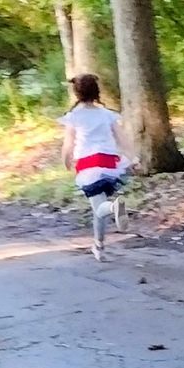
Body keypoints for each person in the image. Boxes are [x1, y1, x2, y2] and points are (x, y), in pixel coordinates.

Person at [60, 72, 128, 262]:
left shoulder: (74, 117)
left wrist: (66, 160)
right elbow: (121, 138)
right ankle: (99, 246)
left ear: (77, 93)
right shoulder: (107, 114)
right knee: (98, 208)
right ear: (96, 91)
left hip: (88, 165)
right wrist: (133, 157)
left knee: (101, 207)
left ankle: (115, 207)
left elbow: (68, 144)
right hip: (110, 163)